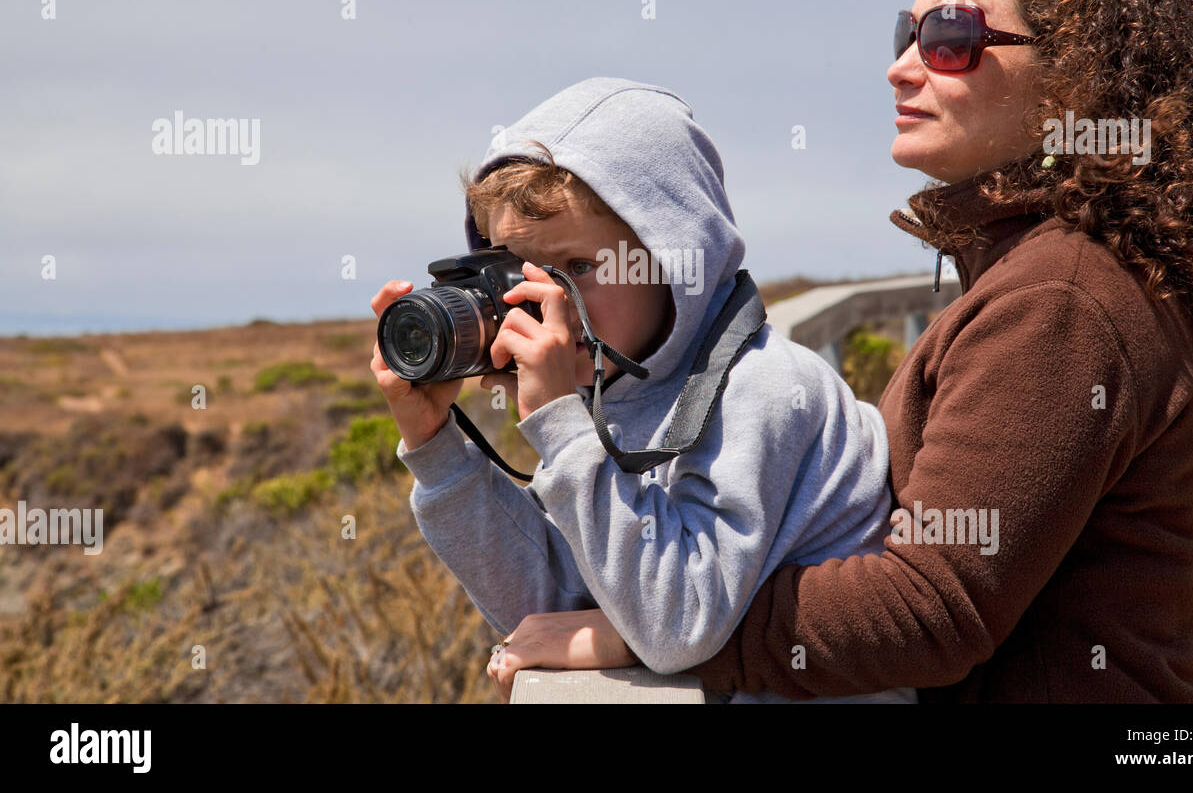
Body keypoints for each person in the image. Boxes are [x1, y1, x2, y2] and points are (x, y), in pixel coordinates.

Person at [487, 0, 1193, 702]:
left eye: (951, 39)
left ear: (1075, 81)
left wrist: (673, 635)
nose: (903, 68)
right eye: (905, 36)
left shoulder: (1059, 300)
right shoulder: (1039, 271)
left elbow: (931, 609)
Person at [370, 76, 916, 703]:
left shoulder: (764, 390)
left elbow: (677, 625)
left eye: (576, 268)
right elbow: (550, 607)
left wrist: (560, 428)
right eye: (518, 273)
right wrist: (436, 446)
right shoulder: (617, 390)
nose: (548, 301)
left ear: (676, 257)